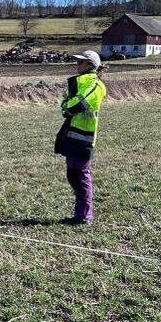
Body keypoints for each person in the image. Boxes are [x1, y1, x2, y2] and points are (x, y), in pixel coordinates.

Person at [54, 50, 107, 224]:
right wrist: (67, 105)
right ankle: (81, 212)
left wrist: (68, 106)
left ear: (90, 65)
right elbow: (66, 104)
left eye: (81, 62)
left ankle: (84, 216)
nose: (77, 64)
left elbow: (78, 103)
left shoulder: (96, 85)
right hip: (72, 133)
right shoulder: (80, 82)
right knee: (73, 174)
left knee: (81, 175)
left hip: (84, 137)